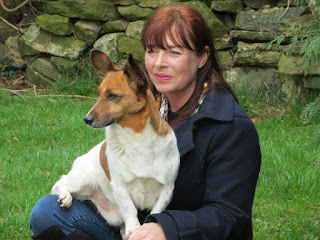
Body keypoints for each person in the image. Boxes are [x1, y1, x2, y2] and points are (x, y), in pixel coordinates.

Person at [30, 4, 261, 240]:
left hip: (184, 234)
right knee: (48, 212)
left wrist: (167, 228)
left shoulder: (231, 127)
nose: (159, 62)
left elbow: (230, 215)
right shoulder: (140, 100)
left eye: (174, 52)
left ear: (202, 57)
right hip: (131, 224)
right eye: (152, 51)